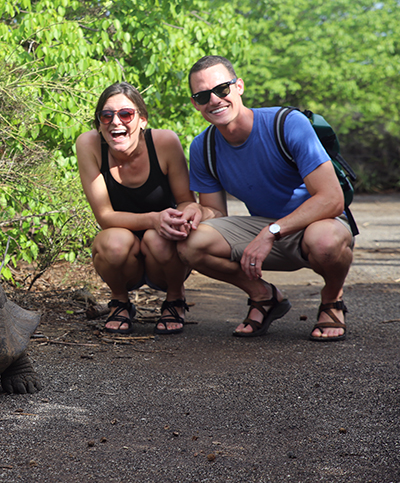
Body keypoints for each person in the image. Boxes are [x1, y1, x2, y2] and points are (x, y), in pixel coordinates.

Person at [178, 55, 354, 341]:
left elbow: (332, 199)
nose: (214, 100)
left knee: (325, 243)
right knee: (190, 242)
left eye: (222, 89)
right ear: (195, 103)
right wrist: (196, 213)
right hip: (263, 227)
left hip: (318, 223)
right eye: (202, 95)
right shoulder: (203, 146)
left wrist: (271, 232)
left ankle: (333, 297)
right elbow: (215, 211)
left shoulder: (286, 124)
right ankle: (264, 296)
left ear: (239, 87)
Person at [76, 82, 195, 335]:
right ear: (99, 124)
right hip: (123, 245)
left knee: (157, 239)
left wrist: (181, 218)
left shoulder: (164, 142)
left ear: (142, 120)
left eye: (126, 114)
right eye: (106, 116)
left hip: (165, 251)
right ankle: (119, 300)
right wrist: (153, 219)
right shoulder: (90, 145)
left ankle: (175, 298)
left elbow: (186, 200)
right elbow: (105, 217)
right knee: (112, 243)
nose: (115, 122)